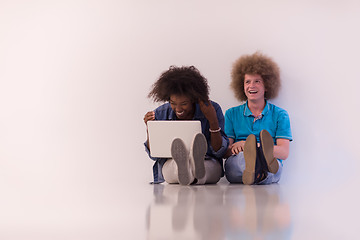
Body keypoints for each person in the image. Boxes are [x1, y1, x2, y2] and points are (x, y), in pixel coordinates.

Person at [144, 66, 229, 185]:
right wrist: (150, 129)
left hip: (207, 160)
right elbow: (154, 154)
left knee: (209, 168)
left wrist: (212, 119)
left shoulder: (212, 109)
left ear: (193, 99)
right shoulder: (160, 113)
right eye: (173, 103)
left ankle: (193, 165)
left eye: (184, 104)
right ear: (168, 99)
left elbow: (218, 151)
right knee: (174, 167)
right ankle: (189, 168)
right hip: (172, 161)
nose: (178, 109)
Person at [224, 52, 292, 185]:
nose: (251, 86)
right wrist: (236, 147)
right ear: (242, 86)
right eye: (247, 82)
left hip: (269, 158)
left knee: (272, 162)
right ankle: (260, 171)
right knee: (241, 159)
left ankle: (259, 169)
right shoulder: (231, 114)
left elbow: (283, 152)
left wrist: (254, 147)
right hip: (239, 164)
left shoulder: (280, 115)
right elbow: (225, 152)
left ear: (267, 86)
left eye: (257, 81)